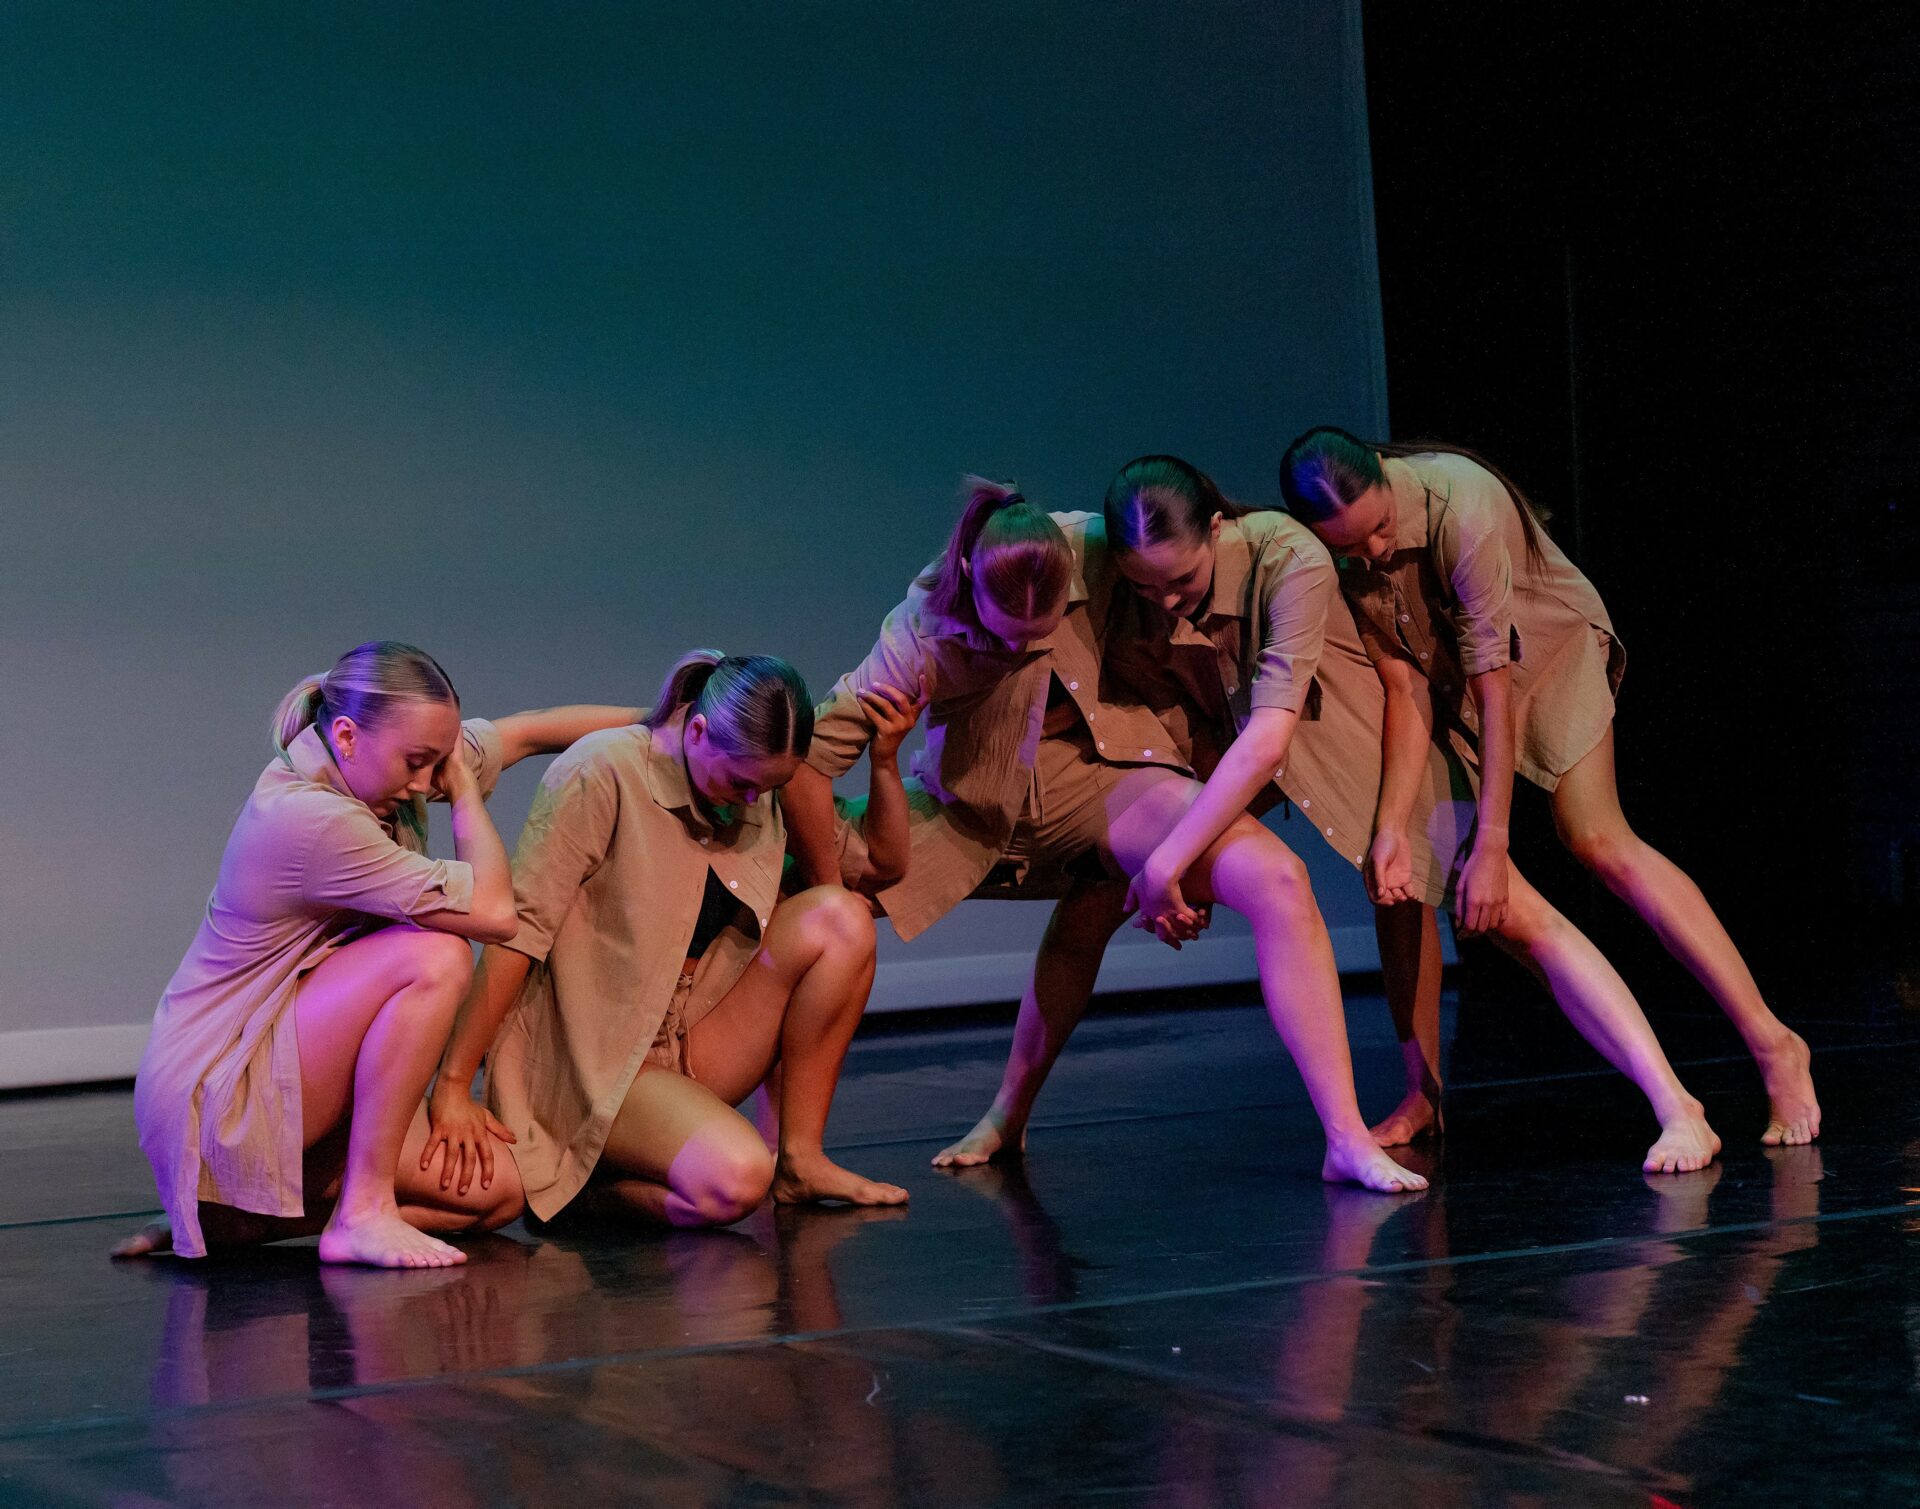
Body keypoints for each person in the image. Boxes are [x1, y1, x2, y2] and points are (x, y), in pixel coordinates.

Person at [785, 476, 1425, 1193]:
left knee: (1277, 877)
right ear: (969, 580)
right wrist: (825, 890)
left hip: (1107, 776)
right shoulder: (918, 631)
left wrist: (1176, 861)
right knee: (786, 891)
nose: (1024, 646)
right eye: (1006, 635)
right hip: (971, 807)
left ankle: (1345, 1139)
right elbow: (808, 760)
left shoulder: (1099, 547)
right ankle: (785, 1151)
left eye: (1043, 629)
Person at [1103, 455, 1720, 1173]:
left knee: (1524, 925)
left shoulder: (1287, 556)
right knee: (1403, 913)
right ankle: (1422, 1095)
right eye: (1143, 586)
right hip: (1340, 774)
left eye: (1178, 580)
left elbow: (1298, 725)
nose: (1165, 599)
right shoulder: (1217, 580)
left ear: (1214, 528)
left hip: (1396, 768)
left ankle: (1679, 1107)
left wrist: (1172, 860)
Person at [1279, 427, 1817, 1147]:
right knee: (1403, 875)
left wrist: (1493, 845)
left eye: (1379, 529)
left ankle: (1775, 1043)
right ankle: (1422, 1094)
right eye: (1350, 547)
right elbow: (1404, 685)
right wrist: (1392, 824)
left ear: (1381, 472)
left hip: (1544, 658)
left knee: (1596, 838)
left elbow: (1496, 688)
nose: (1373, 552)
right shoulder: (1344, 556)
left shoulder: (1461, 505)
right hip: (1450, 682)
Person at [117, 641, 642, 1267]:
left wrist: (665, 722)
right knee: (437, 955)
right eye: (417, 763)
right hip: (222, 1084)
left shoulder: (381, 760)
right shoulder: (312, 820)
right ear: (346, 736)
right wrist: (466, 796)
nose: (426, 783)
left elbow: (531, 731)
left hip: (294, 1056)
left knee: (495, 1191)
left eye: (439, 762)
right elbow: (497, 915)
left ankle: (227, 1222)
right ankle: (363, 1212)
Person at [423, 652, 911, 1230]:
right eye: (740, 782)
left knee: (842, 918)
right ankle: (580, 1195)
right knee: (734, 1182)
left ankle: (801, 1160)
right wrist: (454, 1082)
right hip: (597, 1058)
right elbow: (518, 932)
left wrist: (885, 762)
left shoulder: (755, 785)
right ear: (696, 730)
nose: (751, 800)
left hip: (690, 1033)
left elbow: (884, 866)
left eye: (769, 787)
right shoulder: (605, 771)